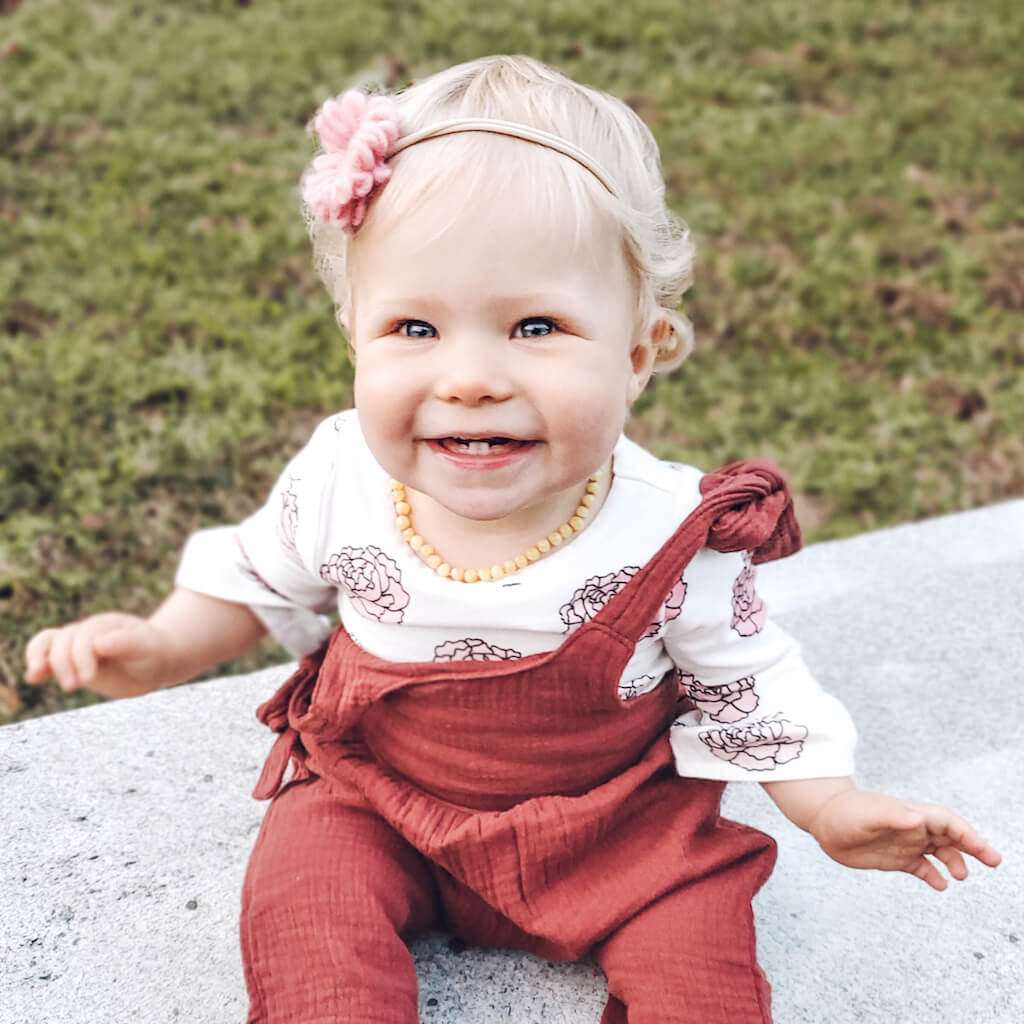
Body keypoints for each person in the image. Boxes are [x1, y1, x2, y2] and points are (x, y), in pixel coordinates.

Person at [24, 55, 1001, 1024]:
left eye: (534, 326)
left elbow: (747, 678)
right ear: (352, 332)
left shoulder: (669, 532)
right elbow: (253, 578)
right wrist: (159, 645)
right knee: (305, 906)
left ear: (638, 353)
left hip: (614, 830)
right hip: (379, 798)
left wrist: (828, 803)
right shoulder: (339, 477)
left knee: (699, 957)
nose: (470, 377)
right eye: (414, 327)